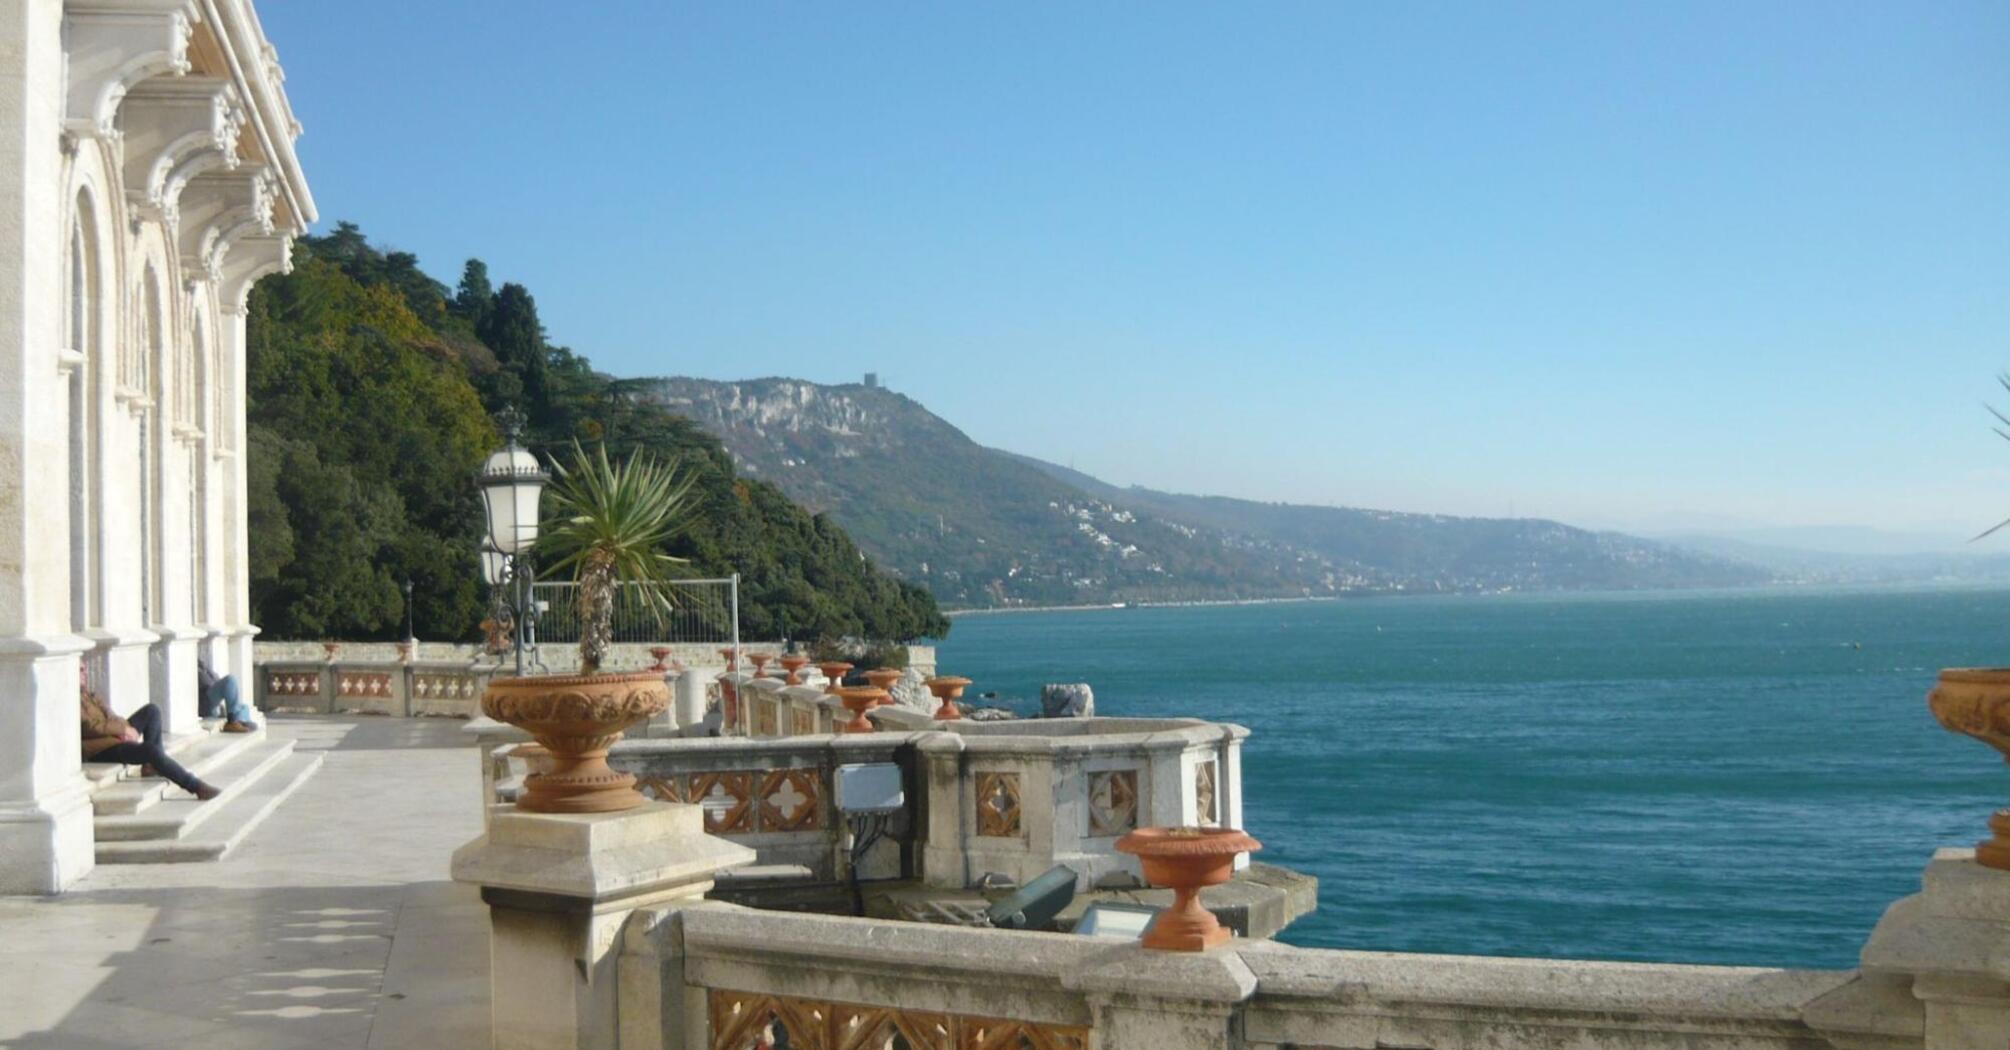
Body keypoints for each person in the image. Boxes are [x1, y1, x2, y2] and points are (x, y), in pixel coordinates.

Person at [79, 667, 219, 800]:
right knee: (150, 750)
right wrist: (123, 730)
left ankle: (150, 766)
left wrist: (124, 729)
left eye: (84, 669)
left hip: (115, 736)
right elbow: (89, 727)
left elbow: (113, 717)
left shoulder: (91, 695)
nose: (85, 673)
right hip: (101, 748)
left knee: (151, 711)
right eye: (80, 670)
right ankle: (195, 786)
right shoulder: (73, 700)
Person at [197, 656, 257, 733]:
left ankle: (240, 720)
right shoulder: (190, 667)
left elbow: (215, 679)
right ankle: (233, 721)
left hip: (213, 700)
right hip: (204, 700)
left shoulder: (202, 666)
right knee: (230, 680)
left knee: (244, 707)